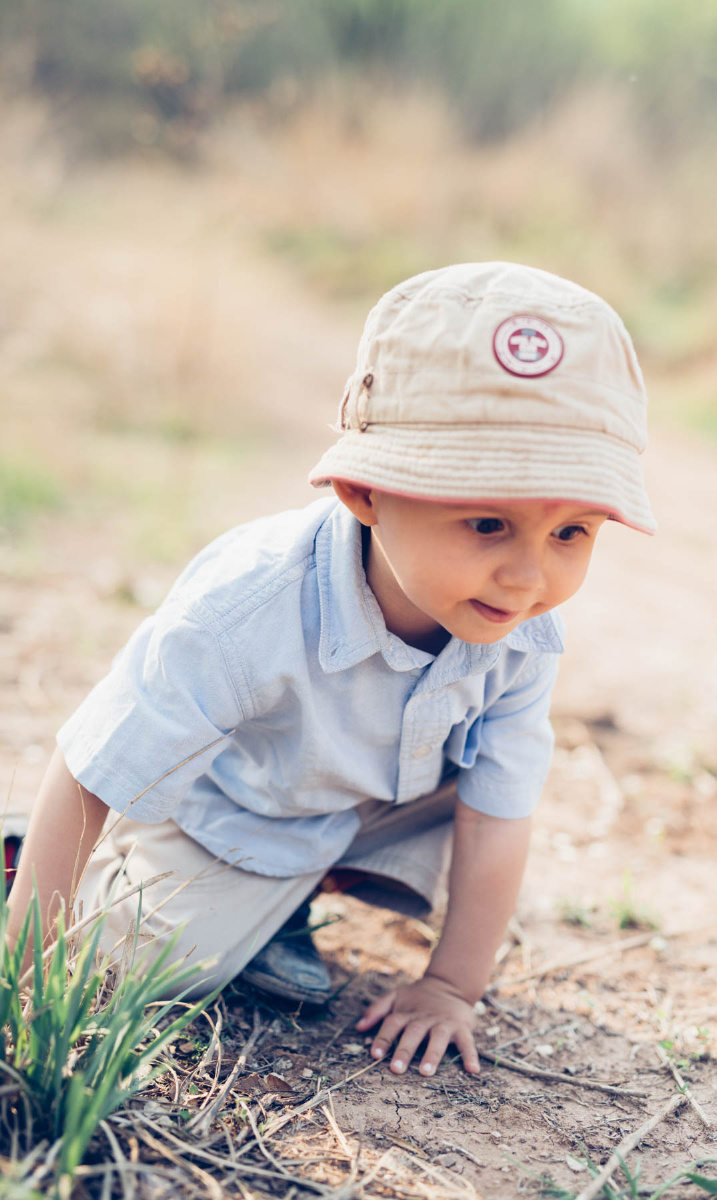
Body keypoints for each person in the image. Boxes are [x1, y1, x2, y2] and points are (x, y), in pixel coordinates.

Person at [7, 261, 656, 1079]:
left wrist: (452, 987)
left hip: (365, 802)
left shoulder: (520, 632)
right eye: (487, 522)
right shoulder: (247, 610)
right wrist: (26, 964)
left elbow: (499, 812)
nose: (529, 578)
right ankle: (41, 866)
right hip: (237, 810)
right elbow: (93, 767)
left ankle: (283, 903)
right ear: (364, 491)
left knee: (484, 783)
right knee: (147, 974)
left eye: (572, 533)